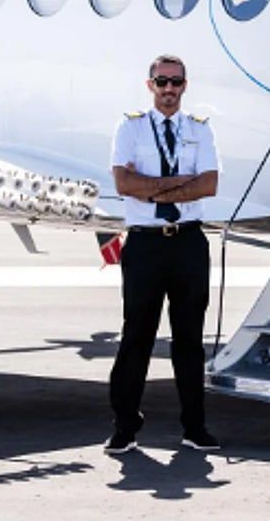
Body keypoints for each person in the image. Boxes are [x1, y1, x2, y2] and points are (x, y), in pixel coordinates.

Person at [105, 54, 221, 455]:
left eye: (176, 82)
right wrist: (176, 185)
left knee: (189, 338)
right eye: (162, 82)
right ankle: (124, 425)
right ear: (150, 85)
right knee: (137, 334)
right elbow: (123, 182)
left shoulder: (199, 129)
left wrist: (151, 188)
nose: (169, 89)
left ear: (185, 86)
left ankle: (194, 427)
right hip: (145, 244)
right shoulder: (130, 127)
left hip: (187, 242)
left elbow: (209, 184)